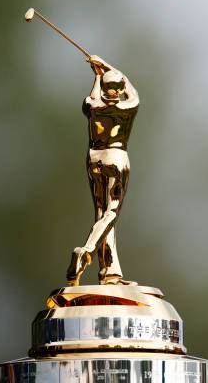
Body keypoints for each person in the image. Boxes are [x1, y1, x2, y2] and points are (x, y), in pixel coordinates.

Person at [66, 55, 139, 286]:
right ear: (118, 91)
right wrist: (105, 64)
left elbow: (93, 96)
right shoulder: (128, 106)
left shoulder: (92, 106)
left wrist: (97, 75)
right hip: (116, 158)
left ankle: (110, 272)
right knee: (111, 213)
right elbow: (130, 86)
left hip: (94, 159)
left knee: (101, 213)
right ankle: (86, 250)